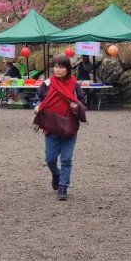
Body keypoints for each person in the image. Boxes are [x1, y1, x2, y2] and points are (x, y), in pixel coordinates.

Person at [34, 55, 87, 201]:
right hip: (51, 125)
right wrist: (38, 106)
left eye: (61, 67)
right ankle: (56, 175)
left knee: (66, 159)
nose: (57, 70)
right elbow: (38, 97)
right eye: (55, 67)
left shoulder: (75, 84)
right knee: (50, 159)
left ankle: (63, 186)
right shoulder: (47, 83)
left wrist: (76, 107)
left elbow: (83, 101)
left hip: (69, 126)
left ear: (67, 69)